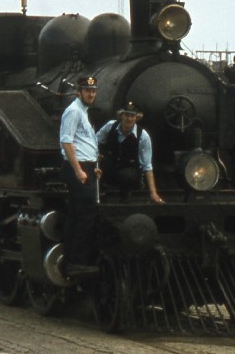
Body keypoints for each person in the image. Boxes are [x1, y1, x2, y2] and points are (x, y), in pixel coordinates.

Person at [58, 76, 101, 277]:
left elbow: (86, 144)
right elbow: (66, 142)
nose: (91, 94)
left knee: (77, 214)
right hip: (78, 168)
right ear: (79, 92)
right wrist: (78, 170)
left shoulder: (83, 112)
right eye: (87, 91)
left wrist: (94, 166)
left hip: (86, 167)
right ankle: (76, 261)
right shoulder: (74, 111)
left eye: (93, 91)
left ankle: (71, 261)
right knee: (86, 213)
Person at [97, 101, 165, 205]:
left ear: (136, 118)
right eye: (126, 115)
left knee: (127, 175)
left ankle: (125, 197)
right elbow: (94, 141)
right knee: (98, 168)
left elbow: (147, 165)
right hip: (111, 167)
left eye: (132, 116)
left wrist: (153, 193)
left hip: (130, 171)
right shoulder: (110, 126)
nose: (129, 119)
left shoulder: (143, 136)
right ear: (121, 115)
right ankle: (100, 194)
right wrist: (97, 154)